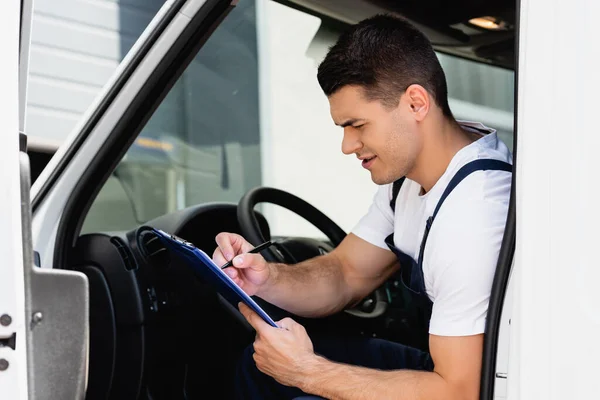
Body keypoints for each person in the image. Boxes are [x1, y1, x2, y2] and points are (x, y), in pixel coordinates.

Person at [212, 13, 512, 400]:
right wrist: (266, 278)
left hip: (476, 387)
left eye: (358, 125)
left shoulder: (472, 216)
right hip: (448, 373)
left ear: (416, 103)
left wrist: (306, 371)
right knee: (260, 371)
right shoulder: (414, 176)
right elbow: (347, 272)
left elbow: (460, 391)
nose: (347, 145)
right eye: (343, 128)